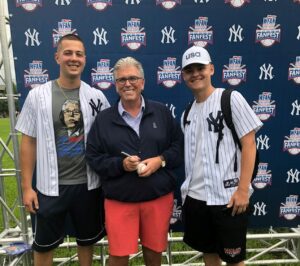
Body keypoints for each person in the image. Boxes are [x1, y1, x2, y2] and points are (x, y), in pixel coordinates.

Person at [15, 34, 110, 266]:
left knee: (87, 242)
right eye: (68, 53)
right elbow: (28, 142)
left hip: (88, 184)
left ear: (85, 59)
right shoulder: (38, 96)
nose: (73, 58)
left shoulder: (96, 96)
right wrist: (27, 187)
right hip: (50, 187)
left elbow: (108, 138)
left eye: (79, 54)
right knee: (44, 244)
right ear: (57, 57)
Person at [86, 56, 183, 266]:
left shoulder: (161, 112)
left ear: (143, 82)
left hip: (157, 197)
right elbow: (93, 158)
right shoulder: (103, 119)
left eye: (132, 78)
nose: (127, 83)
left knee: (154, 252)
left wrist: (161, 160)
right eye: (121, 80)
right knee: (118, 256)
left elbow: (178, 147)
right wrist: (120, 165)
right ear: (115, 84)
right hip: (120, 199)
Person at [180, 46, 263, 266]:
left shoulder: (230, 98)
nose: (195, 73)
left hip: (228, 198)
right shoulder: (186, 113)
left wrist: (243, 189)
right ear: (183, 75)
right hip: (196, 198)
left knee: (235, 261)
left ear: (212, 69)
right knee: (209, 255)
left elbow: (249, 144)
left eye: (200, 68)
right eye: (189, 70)